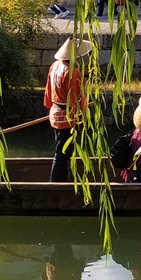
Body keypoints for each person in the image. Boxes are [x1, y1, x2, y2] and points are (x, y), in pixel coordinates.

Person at [44, 37, 93, 182]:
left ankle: (64, 179)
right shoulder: (73, 73)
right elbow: (76, 98)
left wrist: (49, 106)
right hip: (67, 117)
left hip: (55, 113)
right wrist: (82, 114)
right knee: (62, 153)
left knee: (62, 150)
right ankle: (57, 184)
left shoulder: (55, 66)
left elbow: (48, 92)